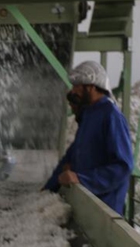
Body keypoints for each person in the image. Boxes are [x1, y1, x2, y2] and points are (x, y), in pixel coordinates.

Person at [44, 61, 134, 215]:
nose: (73, 91)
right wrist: (48, 188)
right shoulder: (89, 114)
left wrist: (81, 179)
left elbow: (122, 167)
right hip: (86, 204)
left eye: (77, 86)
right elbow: (72, 155)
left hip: (105, 209)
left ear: (91, 86)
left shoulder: (111, 115)